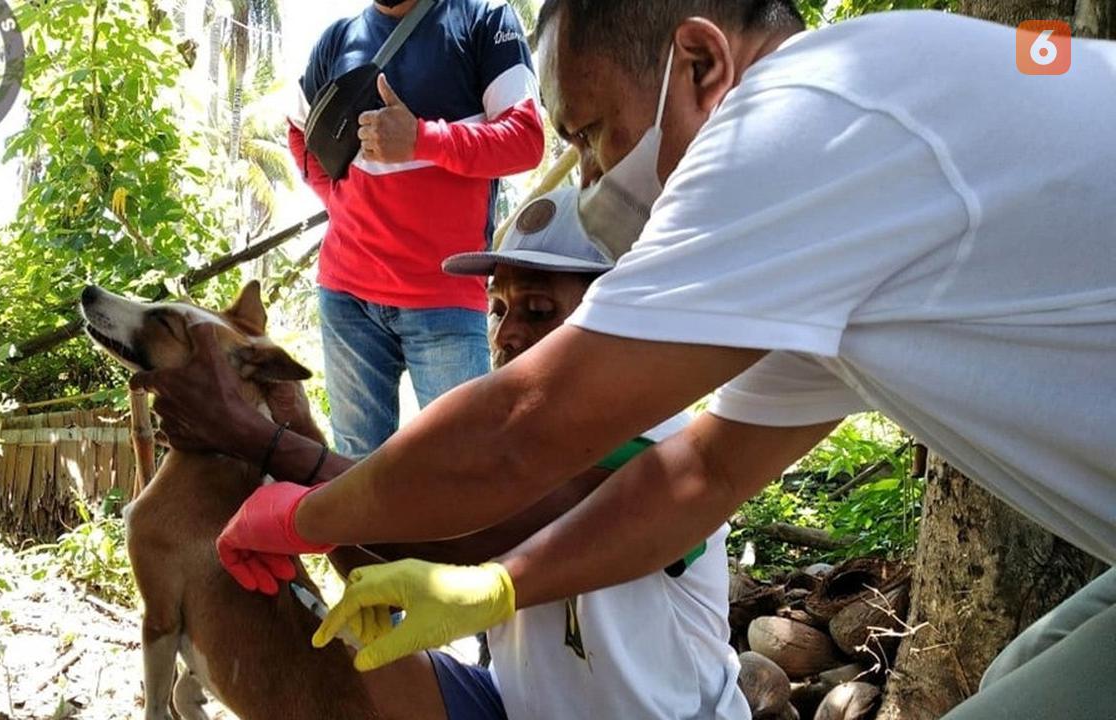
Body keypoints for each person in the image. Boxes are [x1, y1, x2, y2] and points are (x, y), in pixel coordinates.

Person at [141, 1, 1116, 717]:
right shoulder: (846, 195)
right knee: (1024, 669)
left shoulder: (797, 118)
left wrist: (296, 504)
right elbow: (700, 474)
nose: (596, 185)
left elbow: (520, 435)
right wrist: (499, 590)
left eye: (592, 134)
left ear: (699, 63)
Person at [201, 188, 748, 720]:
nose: (506, 333)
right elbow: (383, 561)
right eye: (497, 308)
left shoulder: (663, 442)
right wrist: (291, 424)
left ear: (620, 318)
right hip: (512, 705)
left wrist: (260, 440)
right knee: (358, 663)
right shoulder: (519, 446)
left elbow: (465, 536)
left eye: (536, 310)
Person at [288, 0, 544, 459]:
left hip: (444, 302)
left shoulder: (483, 19)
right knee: (355, 470)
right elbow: (300, 132)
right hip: (347, 300)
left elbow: (526, 139)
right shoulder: (337, 39)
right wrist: (339, 204)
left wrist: (422, 139)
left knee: (463, 469)